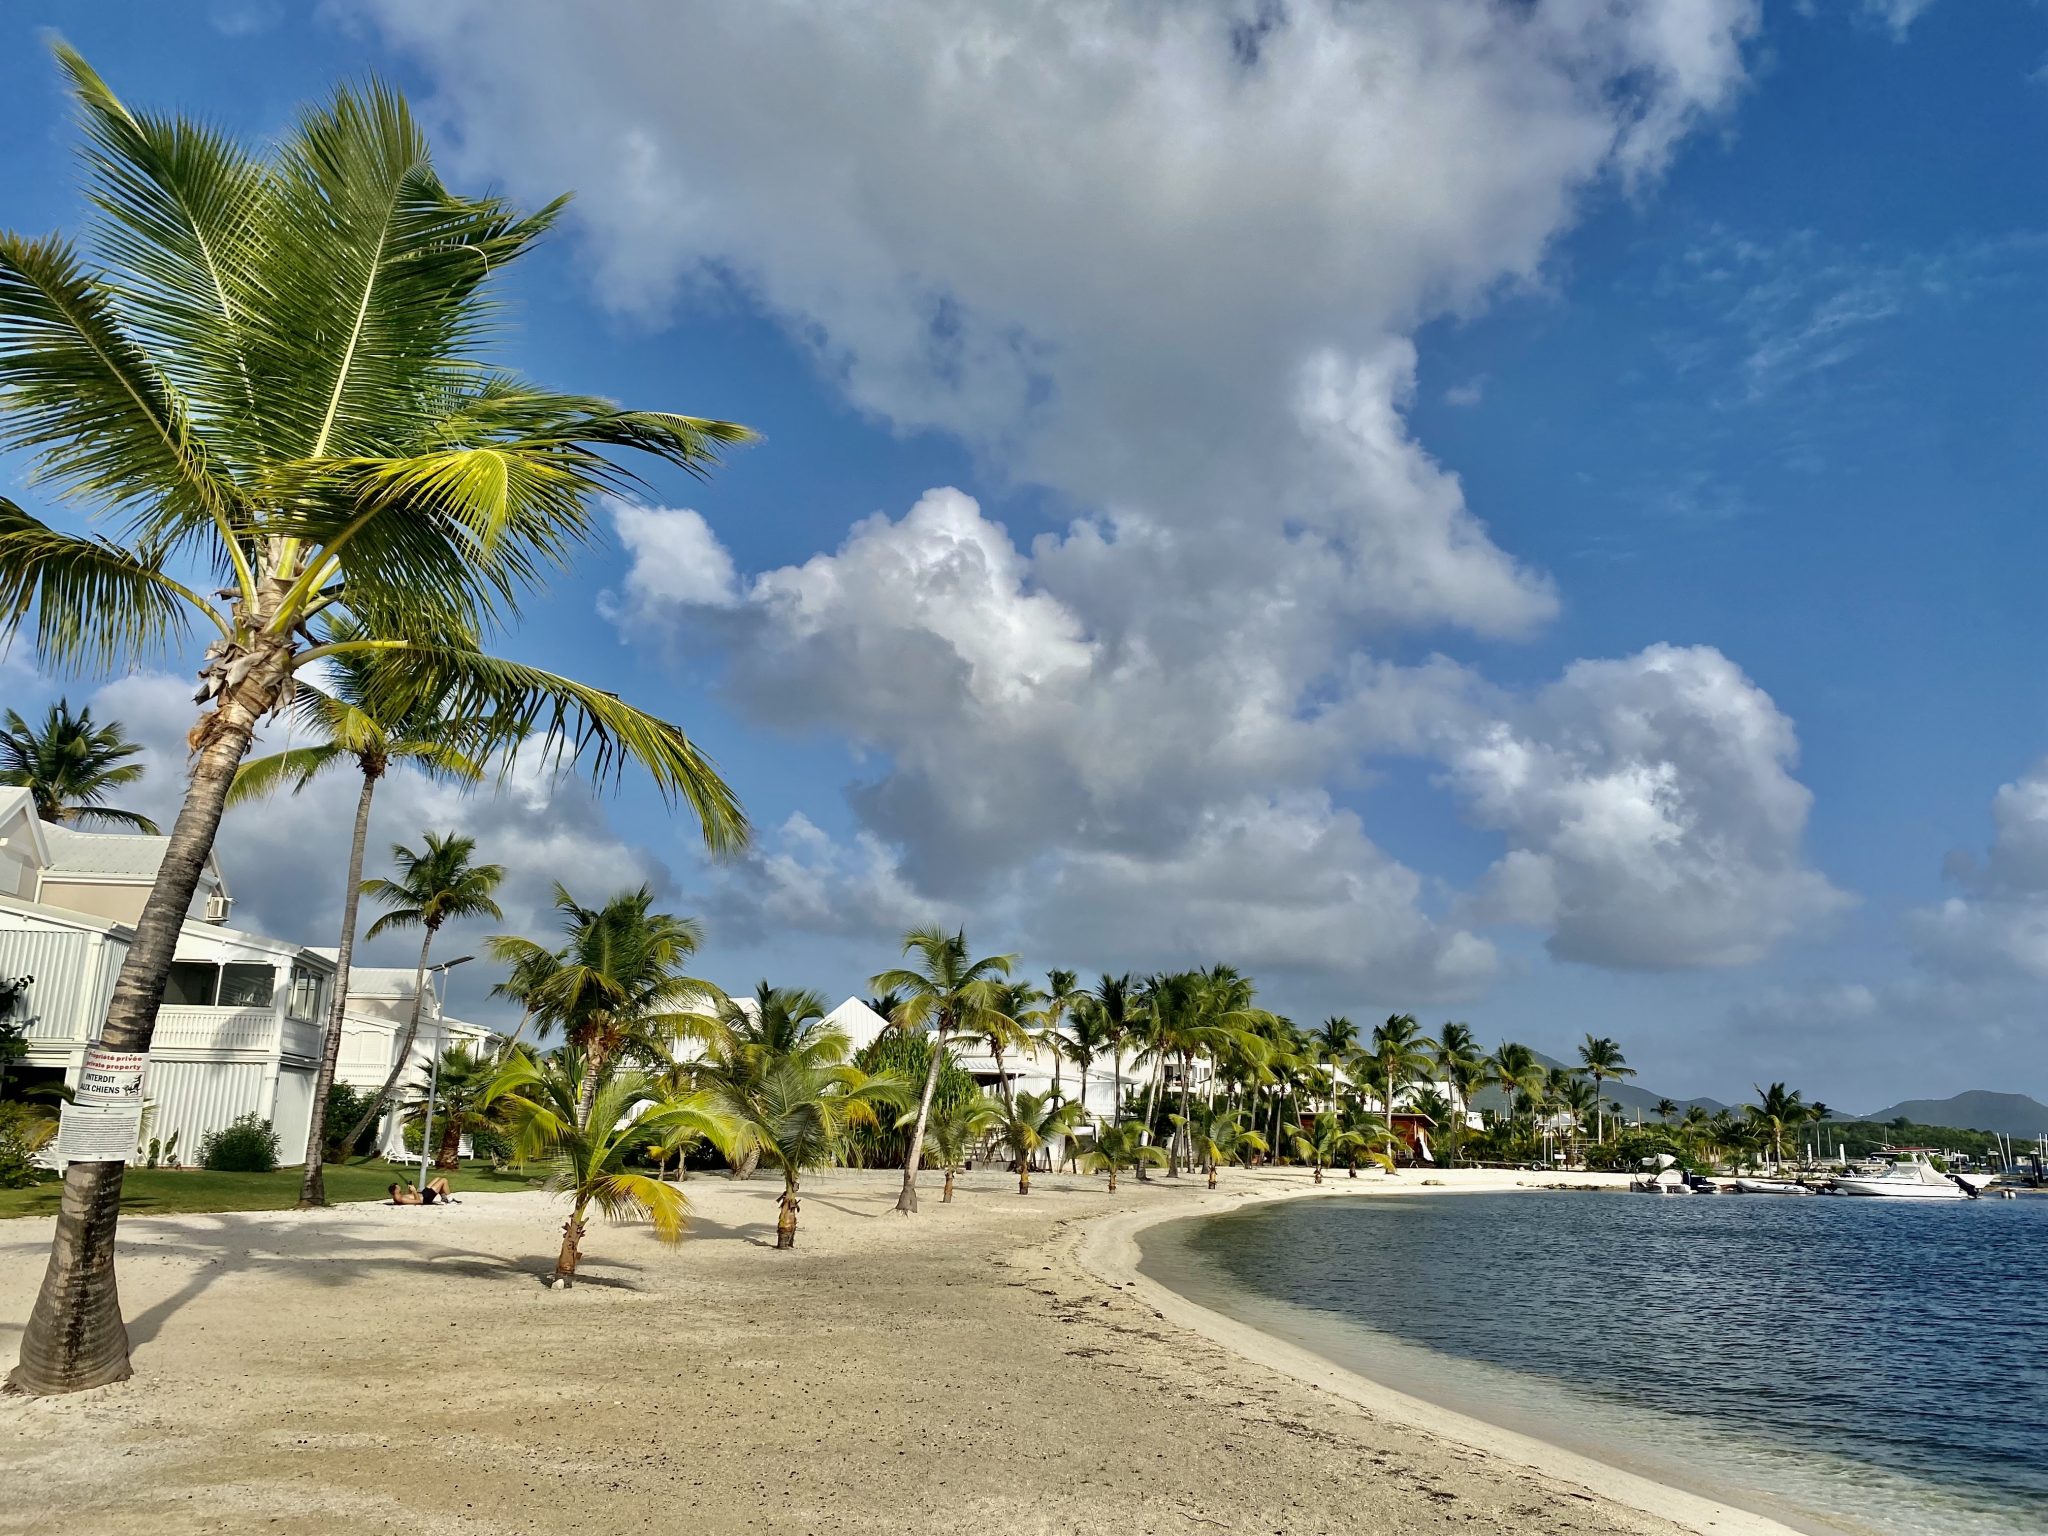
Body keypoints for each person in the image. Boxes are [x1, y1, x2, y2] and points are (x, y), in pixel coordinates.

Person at [388, 1177, 458, 1206]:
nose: (400, 1187)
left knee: (437, 1178)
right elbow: (418, 1201)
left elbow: (411, 1198)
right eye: (398, 1187)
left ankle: (443, 1198)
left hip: (423, 1194)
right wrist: (415, 1191)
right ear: (396, 1190)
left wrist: (411, 1191)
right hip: (426, 1198)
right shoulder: (401, 1199)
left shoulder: (397, 1197)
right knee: (444, 1180)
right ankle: (450, 1199)